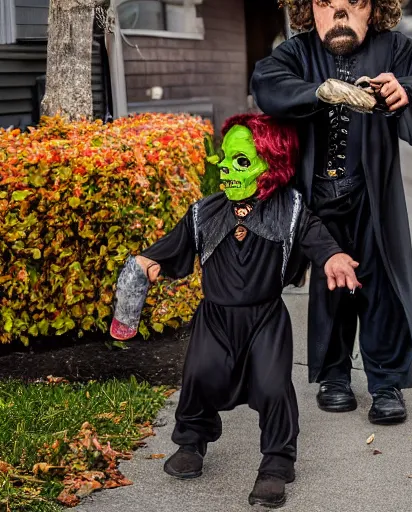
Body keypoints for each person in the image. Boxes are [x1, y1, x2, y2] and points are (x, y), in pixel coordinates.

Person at [110, 113, 360, 508]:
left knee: (273, 385)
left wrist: (334, 258)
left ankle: (276, 463)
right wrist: (146, 265)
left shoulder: (290, 209)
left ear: (271, 164)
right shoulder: (205, 212)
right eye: (225, 158)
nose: (226, 167)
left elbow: (318, 238)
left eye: (240, 160)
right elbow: (169, 250)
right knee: (200, 374)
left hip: (265, 319)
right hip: (216, 318)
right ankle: (192, 442)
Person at [250, 0, 412, 424]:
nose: (339, 13)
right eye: (327, 3)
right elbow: (266, 82)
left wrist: (407, 90)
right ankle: (334, 377)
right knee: (331, 288)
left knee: (380, 284)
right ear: (308, 9)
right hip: (318, 197)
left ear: (374, 8)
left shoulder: (394, 48)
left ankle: (386, 383)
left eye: (354, 2)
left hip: (372, 194)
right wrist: (318, 91)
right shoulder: (298, 52)